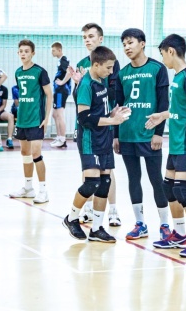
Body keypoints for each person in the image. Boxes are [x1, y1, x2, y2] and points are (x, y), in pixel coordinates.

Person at [145, 34, 186, 258]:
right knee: (169, 188)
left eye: (163, 54)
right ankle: (180, 234)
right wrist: (161, 116)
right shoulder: (177, 76)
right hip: (175, 143)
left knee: (182, 190)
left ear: (171, 51)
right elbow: (178, 109)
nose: (163, 59)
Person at [63, 46, 131, 243]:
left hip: (104, 138)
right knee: (91, 182)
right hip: (90, 141)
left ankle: (97, 229)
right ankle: (71, 218)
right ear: (96, 65)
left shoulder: (101, 82)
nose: (111, 72)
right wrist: (112, 121)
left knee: (105, 182)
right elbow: (84, 117)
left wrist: (113, 114)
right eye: (108, 68)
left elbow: (99, 111)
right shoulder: (86, 85)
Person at [114, 28, 171, 241]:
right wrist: (116, 134)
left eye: (130, 43)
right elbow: (118, 106)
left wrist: (158, 133)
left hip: (148, 134)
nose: (127, 47)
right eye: (124, 44)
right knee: (133, 178)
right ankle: (140, 223)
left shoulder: (158, 68)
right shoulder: (122, 73)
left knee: (156, 179)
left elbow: (164, 102)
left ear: (142, 43)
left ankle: (165, 224)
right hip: (127, 134)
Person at [67, 22, 121, 227]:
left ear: (100, 39)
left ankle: (112, 210)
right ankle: (85, 209)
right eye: (84, 37)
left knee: (106, 174)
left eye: (91, 36)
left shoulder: (110, 62)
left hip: (107, 123)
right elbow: (81, 99)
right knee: (90, 171)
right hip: (90, 125)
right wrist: (77, 83)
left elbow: (114, 92)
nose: (87, 40)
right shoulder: (83, 64)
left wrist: (114, 120)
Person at [9, 40, 53, 203]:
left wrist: (46, 118)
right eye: (21, 51)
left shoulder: (40, 71)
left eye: (26, 51)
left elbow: (49, 95)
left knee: (36, 154)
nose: (23, 54)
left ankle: (43, 190)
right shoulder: (18, 72)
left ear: (33, 53)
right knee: (25, 154)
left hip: (36, 119)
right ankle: (28, 188)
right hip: (22, 119)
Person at [50, 41, 71, 148]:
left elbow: (70, 72)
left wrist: (62, 82)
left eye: (53, 50)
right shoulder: (60, 61)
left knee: (60, 114)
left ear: (59, 50)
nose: (52, 52)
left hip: (61, 91)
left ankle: (62, 139)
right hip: (57, 90)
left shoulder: (64, 59)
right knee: (54, 114)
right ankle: (59, 137)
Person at [0, 83, 15, 149]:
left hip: (0, 111)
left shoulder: (4, 89)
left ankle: (9, 139)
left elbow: (4, 104)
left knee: (11, 116)